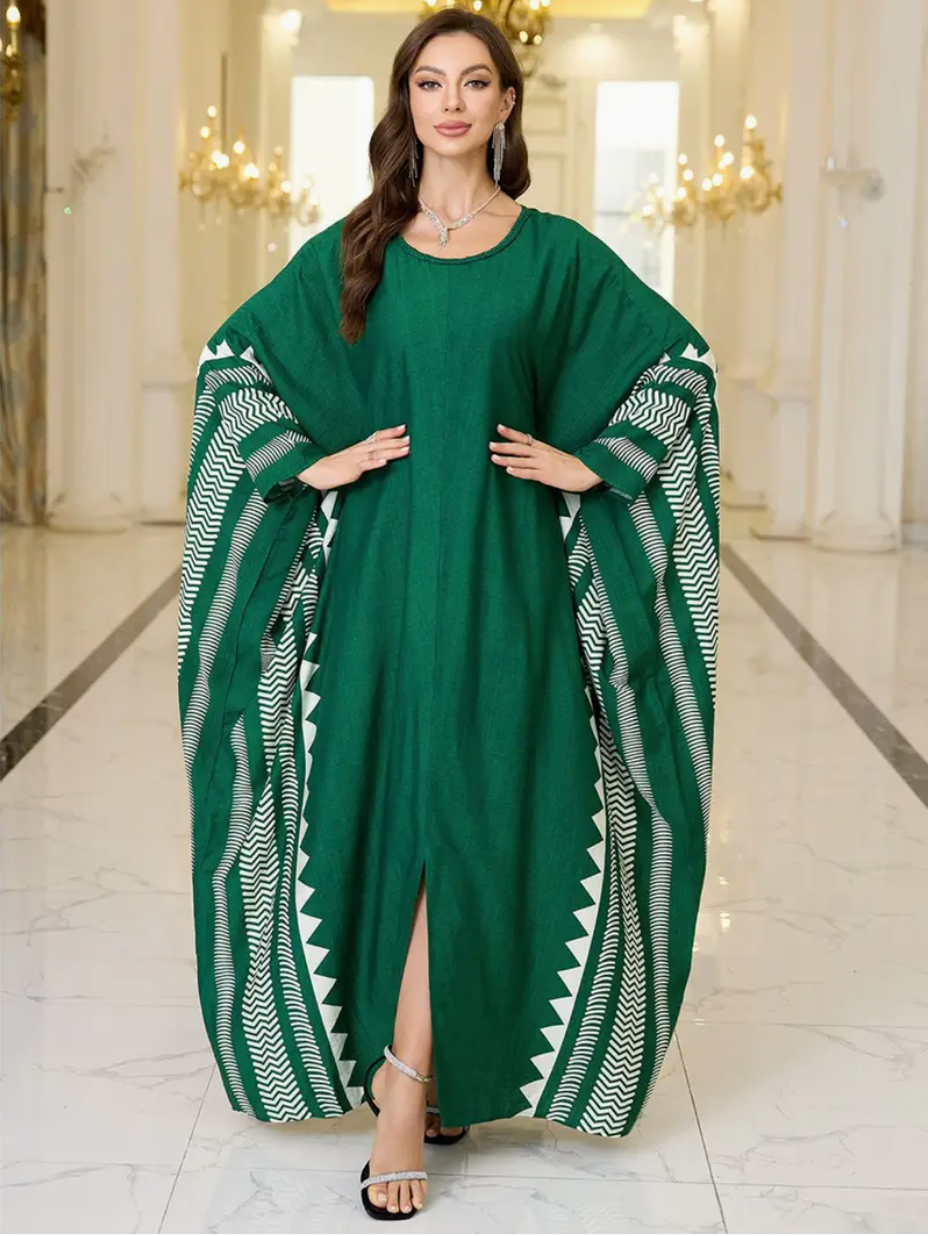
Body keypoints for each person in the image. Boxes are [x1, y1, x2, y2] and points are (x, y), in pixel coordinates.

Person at [178, 7, 719, 1223]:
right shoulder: (356, 248)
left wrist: (601, 462)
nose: (454, 102)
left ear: (507, 104)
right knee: (404, 809)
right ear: (404, 102)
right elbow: (234, 368)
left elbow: (676, 371)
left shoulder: (559, 258)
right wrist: (304, 463)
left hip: (511, 582)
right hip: (377, 585)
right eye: (431, 82)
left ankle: (412, 1080)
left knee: (478, 811)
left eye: (476, 81)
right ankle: (413, 1086)